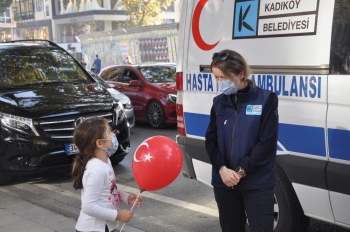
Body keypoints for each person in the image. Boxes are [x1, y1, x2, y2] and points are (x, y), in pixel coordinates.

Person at [205, 49, 278, 232]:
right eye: (217, 78)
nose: (220, 82)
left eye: (223, 77)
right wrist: (222, 170)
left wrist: (239, 172)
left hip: (257, 183)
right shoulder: (218, 102)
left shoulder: (266, 99)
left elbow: (267, 143)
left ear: (241, 74)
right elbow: (210, 141)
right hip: (225, 183)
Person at [72, 117, 142, 232]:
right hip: (93, 229)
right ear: (99, 143)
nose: (113, 134)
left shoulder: (105, 161)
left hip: (104, 227)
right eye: (109, 132)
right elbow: (88, 206)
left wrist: (126, 197)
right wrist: (117, 215)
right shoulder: (96, 169)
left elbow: (109, 188)